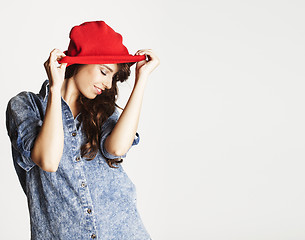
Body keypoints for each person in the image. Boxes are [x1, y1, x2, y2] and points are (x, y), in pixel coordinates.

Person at [5, 20, 159, 240]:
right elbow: (48, 160)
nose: (108, 84)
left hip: (123, 231)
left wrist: (141, 80)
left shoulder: (103, 110)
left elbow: (116, 148)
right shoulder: (24, 105)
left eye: (113, 78)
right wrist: (55, 88)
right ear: (81, 63)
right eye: (104, 72)